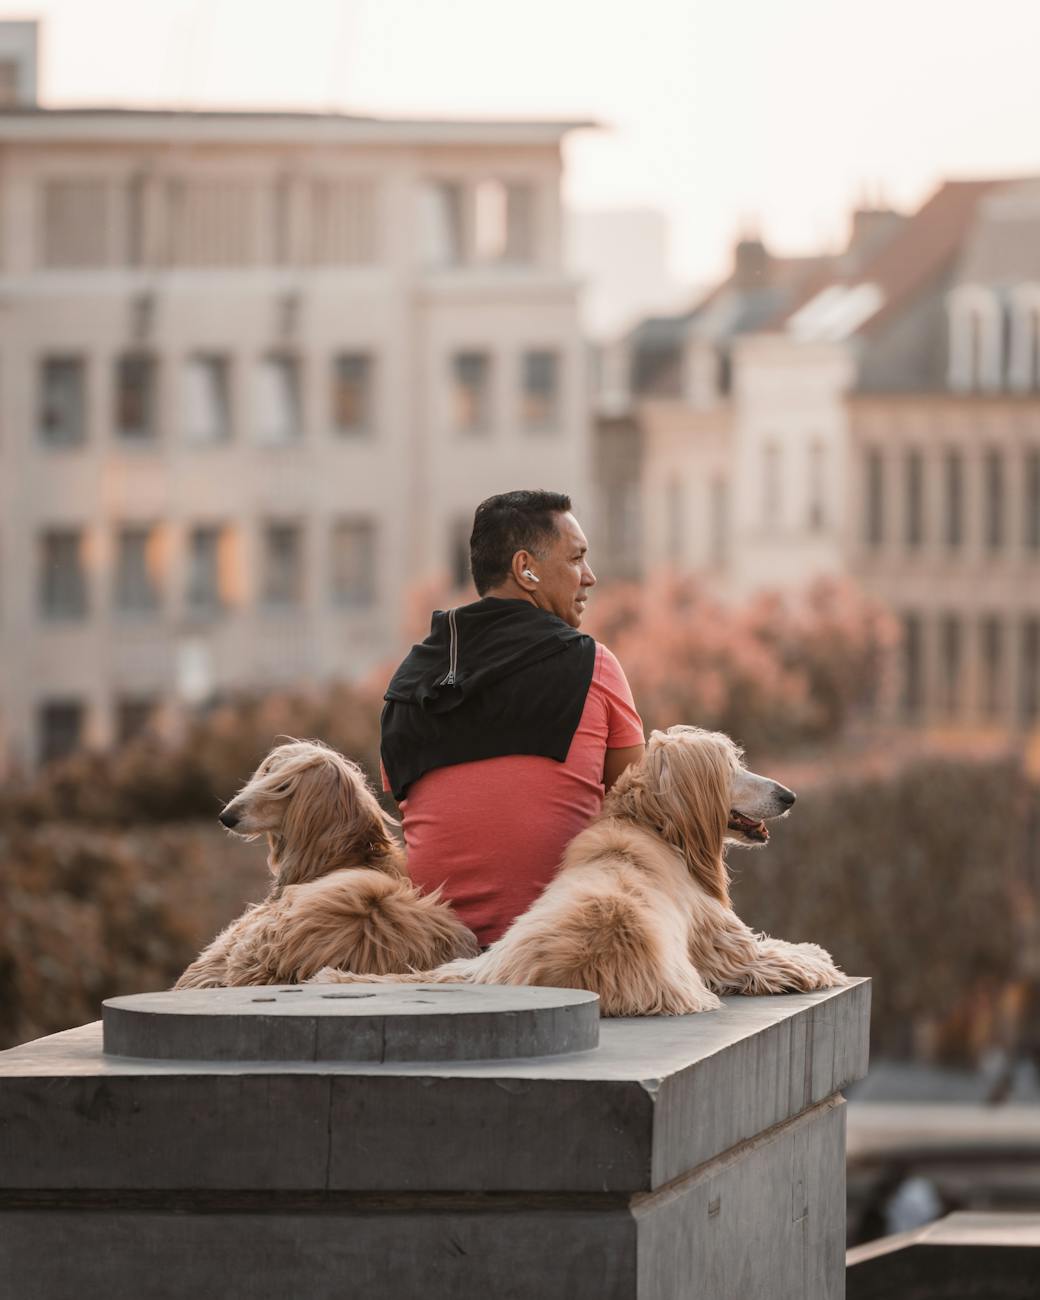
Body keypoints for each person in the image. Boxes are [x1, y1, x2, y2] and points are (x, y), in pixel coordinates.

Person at [380, 489, 645, 947]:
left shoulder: (408, 684)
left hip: (435, 952)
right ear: (526, 569)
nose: (590, 577)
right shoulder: (592, 666)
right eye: (577, 559)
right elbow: (643, 810)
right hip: (563, 949)